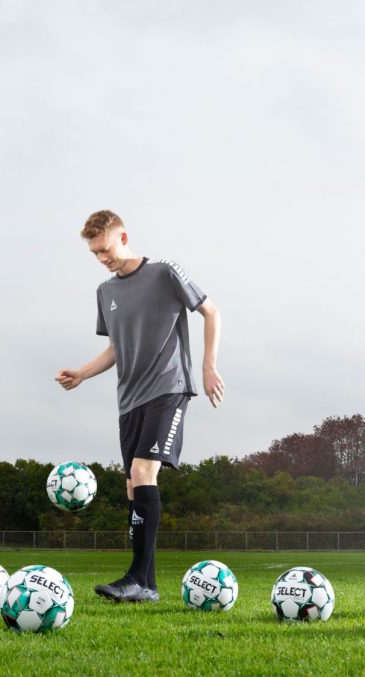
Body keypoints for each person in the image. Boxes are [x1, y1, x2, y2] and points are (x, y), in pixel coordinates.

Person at [55, 209, 224, 603]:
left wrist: (209, 366)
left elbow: (211, 311)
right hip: (129, 398)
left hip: (169, 388)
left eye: (105, 249)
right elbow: (115, 347)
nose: (102, 258)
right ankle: (146, 586)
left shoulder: (165, 271)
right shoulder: (105, 292)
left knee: (141, 470)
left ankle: (136, 578)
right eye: (95, 254)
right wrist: (82, 373)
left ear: (123, 237)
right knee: (134, 485)